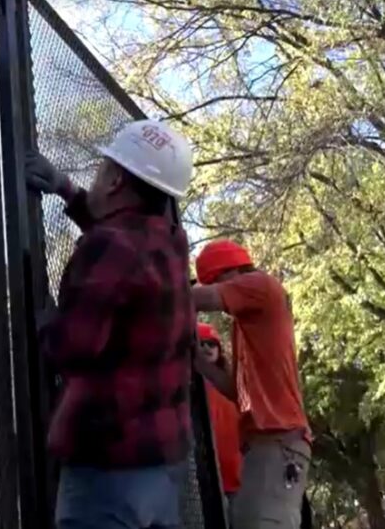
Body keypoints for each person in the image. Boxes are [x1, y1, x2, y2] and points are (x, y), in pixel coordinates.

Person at [25, 119, 195, 529]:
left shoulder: (109, 247)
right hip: (164, 468)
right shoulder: (172, 243)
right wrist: (67, 189)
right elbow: (126, 247)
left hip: (107, 464)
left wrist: (39, 315)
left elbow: (71, 348)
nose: (97, 178)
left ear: (116, 180)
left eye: (102, 170)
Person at [191, 239, 310, 529]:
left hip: (278, 438)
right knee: (246, 520)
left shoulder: (259, 285)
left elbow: (197, 299)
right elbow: (236, 391)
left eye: (216, 282)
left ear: (230, 273)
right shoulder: (248, 324)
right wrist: (198, 360)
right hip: (264, 442)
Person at [197, 323, 242, 511]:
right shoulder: (191, 387)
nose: (207, 347)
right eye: (202, 343)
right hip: (208, 479)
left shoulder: (233, 385)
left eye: (212, 343)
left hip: (239, 478)